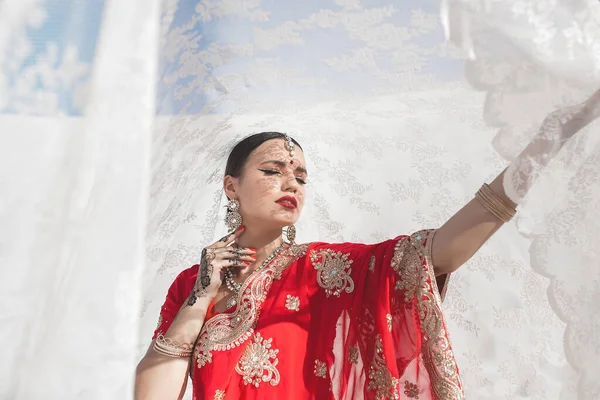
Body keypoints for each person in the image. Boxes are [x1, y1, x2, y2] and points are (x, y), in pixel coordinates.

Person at [134, 89, 600, 400]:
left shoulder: (324, 269)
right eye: (272, 170)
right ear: (231, 186)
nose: (290, 182)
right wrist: (198, 304)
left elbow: (438, 253)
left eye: (299, 175)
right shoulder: (190, 286)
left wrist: (542, 148)